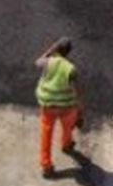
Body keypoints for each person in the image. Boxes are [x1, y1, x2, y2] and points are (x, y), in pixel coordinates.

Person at [34, 37, 83, 178]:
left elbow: (37, 62)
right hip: (66, 106)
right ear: (69, 52)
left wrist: (51, 49)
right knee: (68, 126)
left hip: (48, 105)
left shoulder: (49, 62)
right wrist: (80, 111)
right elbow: (76, 92)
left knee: (46, 134)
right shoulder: (70, 69)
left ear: (57, 49)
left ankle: (46, 165)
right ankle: (66, 145)